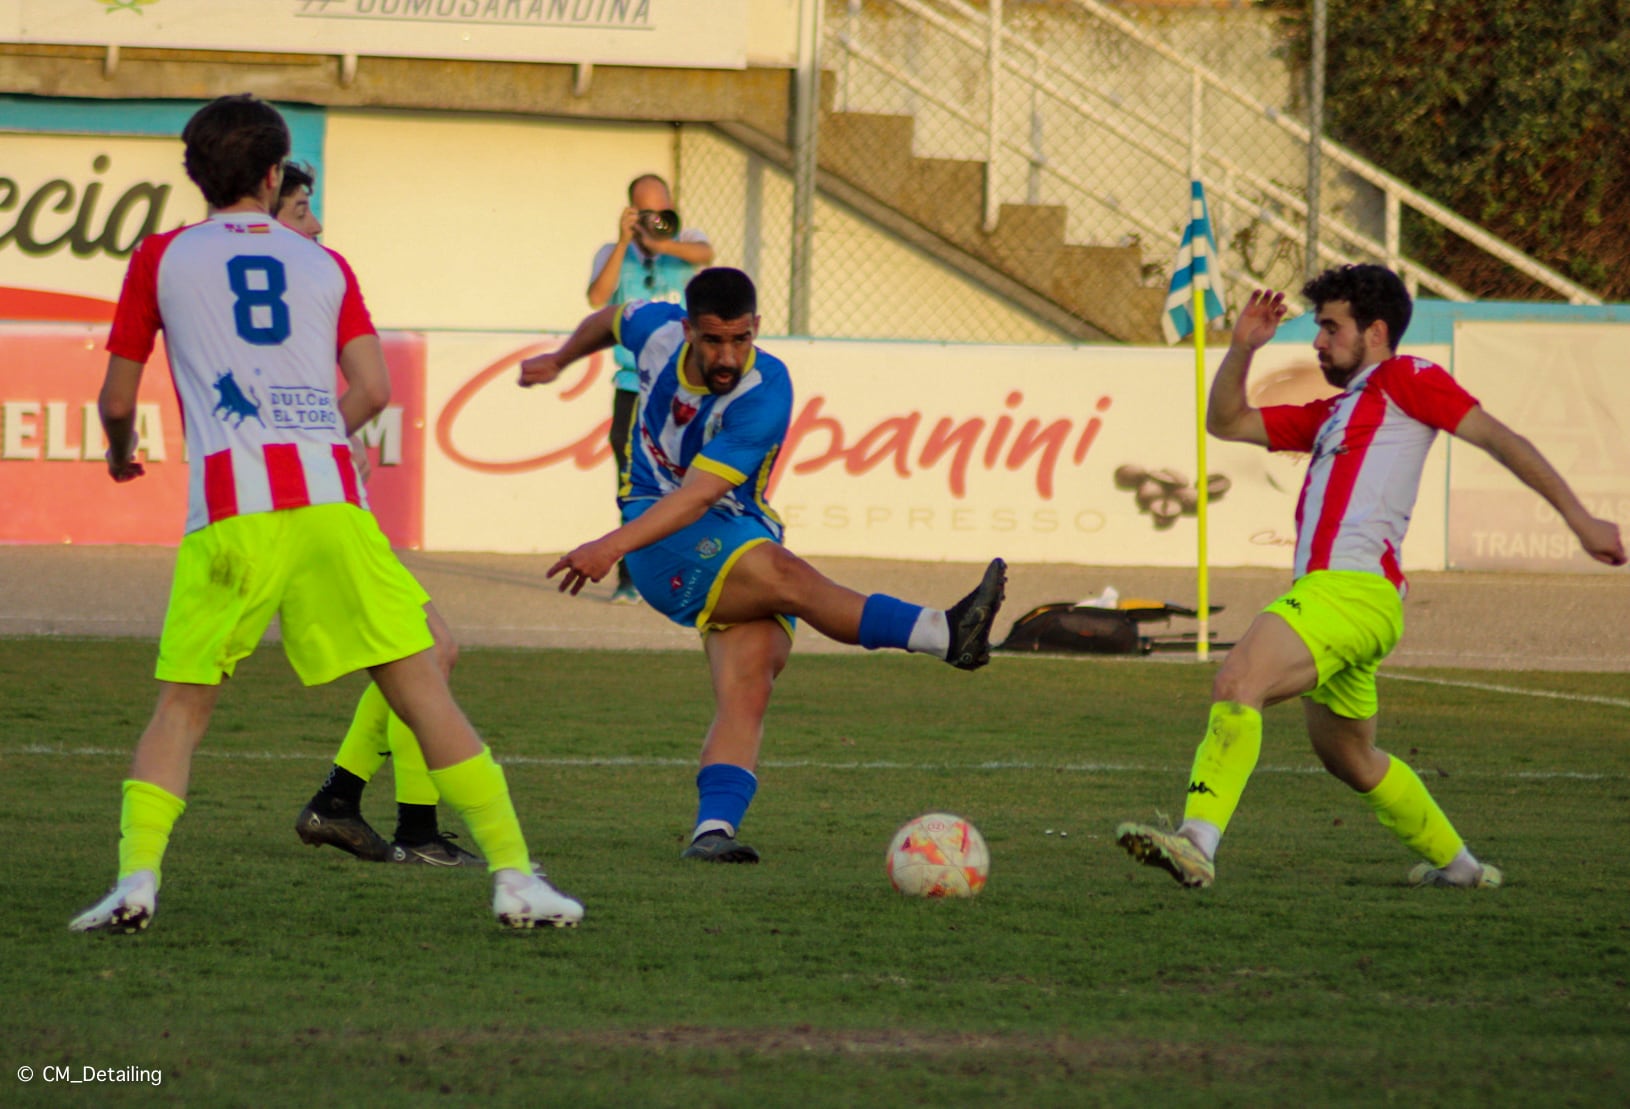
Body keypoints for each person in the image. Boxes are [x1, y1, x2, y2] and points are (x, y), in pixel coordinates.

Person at [70, 94, 581, 933]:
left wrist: (122, 449)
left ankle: (136, 880)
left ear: (196, 175)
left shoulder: (160, 256)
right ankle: (517, 876)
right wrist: (310, 437)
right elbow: (374, 389)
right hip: (327, 504)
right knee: (422, 690)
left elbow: (118, 396)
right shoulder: (325, 265)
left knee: (182, 709)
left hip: (233, 513)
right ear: (275, 176)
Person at [1116, 264, 1626, 890]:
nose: (1318, 341)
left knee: (1237, 679)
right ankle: (1462, 868)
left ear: (1377, 332)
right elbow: (1227, 422)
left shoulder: (1405, 378)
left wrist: (1580, 519)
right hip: (1354, 604)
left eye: (1331, 327)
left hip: (1347, 591)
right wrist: (1243, 349)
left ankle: (1197, 841)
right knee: (1351, 758)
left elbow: (1499, 437)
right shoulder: (1336, 413)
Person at [518, 267, 1008, 864]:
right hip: (655, 535)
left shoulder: (767, 389)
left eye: (741, 340)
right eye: (713, 340)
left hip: (729, 525)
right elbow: (607, 320)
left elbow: (701, 495)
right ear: (688, 330)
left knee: (748, 688)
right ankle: (943, 633)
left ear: (756, 329)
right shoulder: (656, 331)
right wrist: (561, 360)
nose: (728, 356)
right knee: (786, 577)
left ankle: (711, 832)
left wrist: (607, 544)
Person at [270, 161, 480, 868]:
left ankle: (345, 802)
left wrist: (332, 440)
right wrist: (327, 444)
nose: (317, 224)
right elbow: (367, 388)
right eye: (301, 208)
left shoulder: (290, 293)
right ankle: (407, 826)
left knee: (424, 651)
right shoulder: (308, 282)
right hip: (308, 508)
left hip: (314, 502)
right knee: (428, 649)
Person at [585, 173, 714, 605]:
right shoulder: (613, 253)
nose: (655, 220)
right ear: (630, 212)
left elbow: (706, 253)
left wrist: (661, 244)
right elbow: (597, 298)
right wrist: (625, 243)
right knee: (632, 478)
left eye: (661, 211)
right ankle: (629, 575)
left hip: (685, 384)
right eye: (645, 213)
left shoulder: (686, 241)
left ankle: (693, 568)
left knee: (694, 479)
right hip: (632, 384)